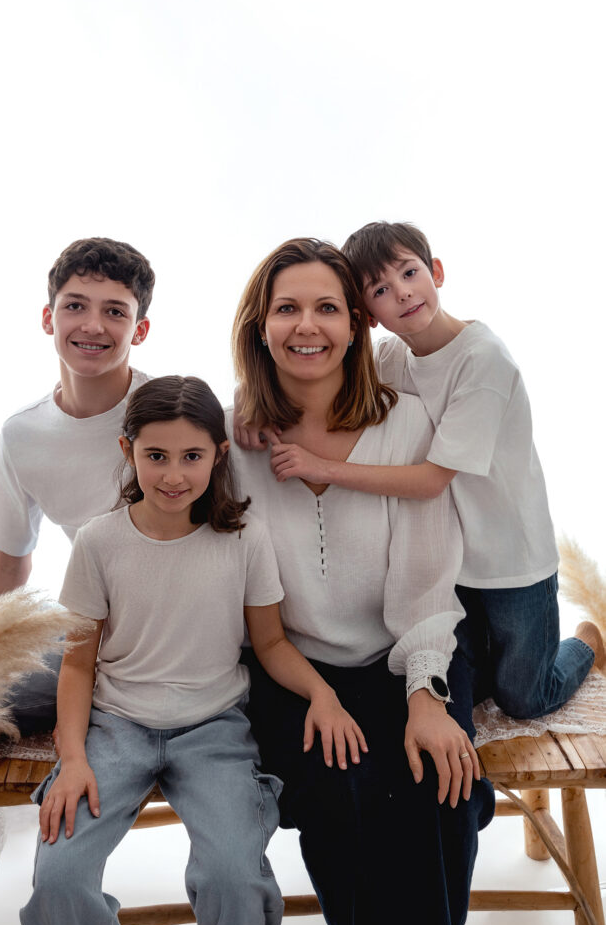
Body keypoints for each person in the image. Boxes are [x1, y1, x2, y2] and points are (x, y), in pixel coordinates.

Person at [20, 375, 366, 925]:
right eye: (156, 456)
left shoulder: (245, 539)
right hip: (117, 728)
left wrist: (323, 694)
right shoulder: (100, 542)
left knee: (235, 877)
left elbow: (273, 642)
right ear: (127, 450)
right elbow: (77, 664)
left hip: (214, 730)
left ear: (219, 455)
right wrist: (73, 759)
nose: (173, 475)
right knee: (58, 880)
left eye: (191, 456)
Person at [230, 238, 495, 925]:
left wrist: (424, 696)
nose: (305, 326)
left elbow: (425, 578)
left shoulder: (404, 424)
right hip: (294, 670)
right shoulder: (230, 439)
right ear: (259, 325)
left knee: (434, 788)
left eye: (326, 308)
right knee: (340, 796)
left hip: (406, 648)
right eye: (286, 308)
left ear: (355, 324)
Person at [239, 221, 603, 718]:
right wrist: (246, 400)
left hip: (509, 558)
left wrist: (324, 466)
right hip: (452, 559)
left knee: (524, 695)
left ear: (436, 271)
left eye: (410, 273)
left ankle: (586, 642)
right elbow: (311, 366)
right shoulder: (393, 357)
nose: (403, 293)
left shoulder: (484, 362)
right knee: (471, 685)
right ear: (367, 315)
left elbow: (431, 479)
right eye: (382, 290)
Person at [0, 237, 154, 925]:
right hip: (80, 640)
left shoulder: (169, 412)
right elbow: (12, 563)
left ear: (139, 329)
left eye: (114, 311)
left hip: (173, 638)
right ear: (46, 317)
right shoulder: (23, 434)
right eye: (75, 306)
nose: (92, 325)